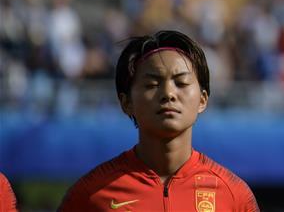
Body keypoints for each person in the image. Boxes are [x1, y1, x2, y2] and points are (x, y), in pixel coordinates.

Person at [58, 30, 258, 211]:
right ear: (126, 102)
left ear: (203, 99)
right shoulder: (90, 195)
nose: (168, 93)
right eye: (152, 84)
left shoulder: (234, 196)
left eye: (181, 83)